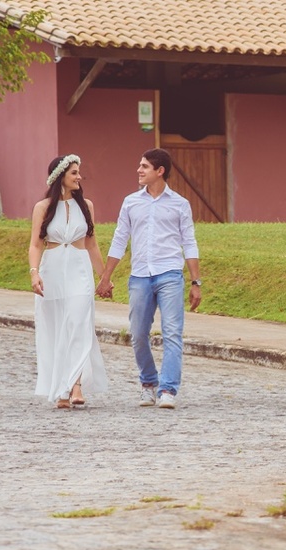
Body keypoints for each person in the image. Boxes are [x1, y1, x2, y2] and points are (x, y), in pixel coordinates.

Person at [96, 148, 201, 410]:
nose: (139, 170)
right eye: (139, 165)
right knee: (138, 334)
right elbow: (120, 239)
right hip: (140, 276)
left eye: (144, 166)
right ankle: (148, 383)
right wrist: (106, 277)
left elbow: (189, 243)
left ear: (160, 171)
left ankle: (167, 389)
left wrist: (195, 282)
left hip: (170, 275)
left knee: (172, 333)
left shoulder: (180, 204)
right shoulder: (131, 202)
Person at [29, 154, 109, 409]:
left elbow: (92, 244)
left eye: (78, 172)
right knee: (57, 329)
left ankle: (72, 387)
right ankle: (66, 384)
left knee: (78, 324)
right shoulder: (42, 208)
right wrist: (34, 273)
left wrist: (104, 277)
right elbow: (35, 244)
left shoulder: (87, 205)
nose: (79, 177)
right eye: (74, 172)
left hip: (79, 270)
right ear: (60, 176)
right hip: (52, 271)